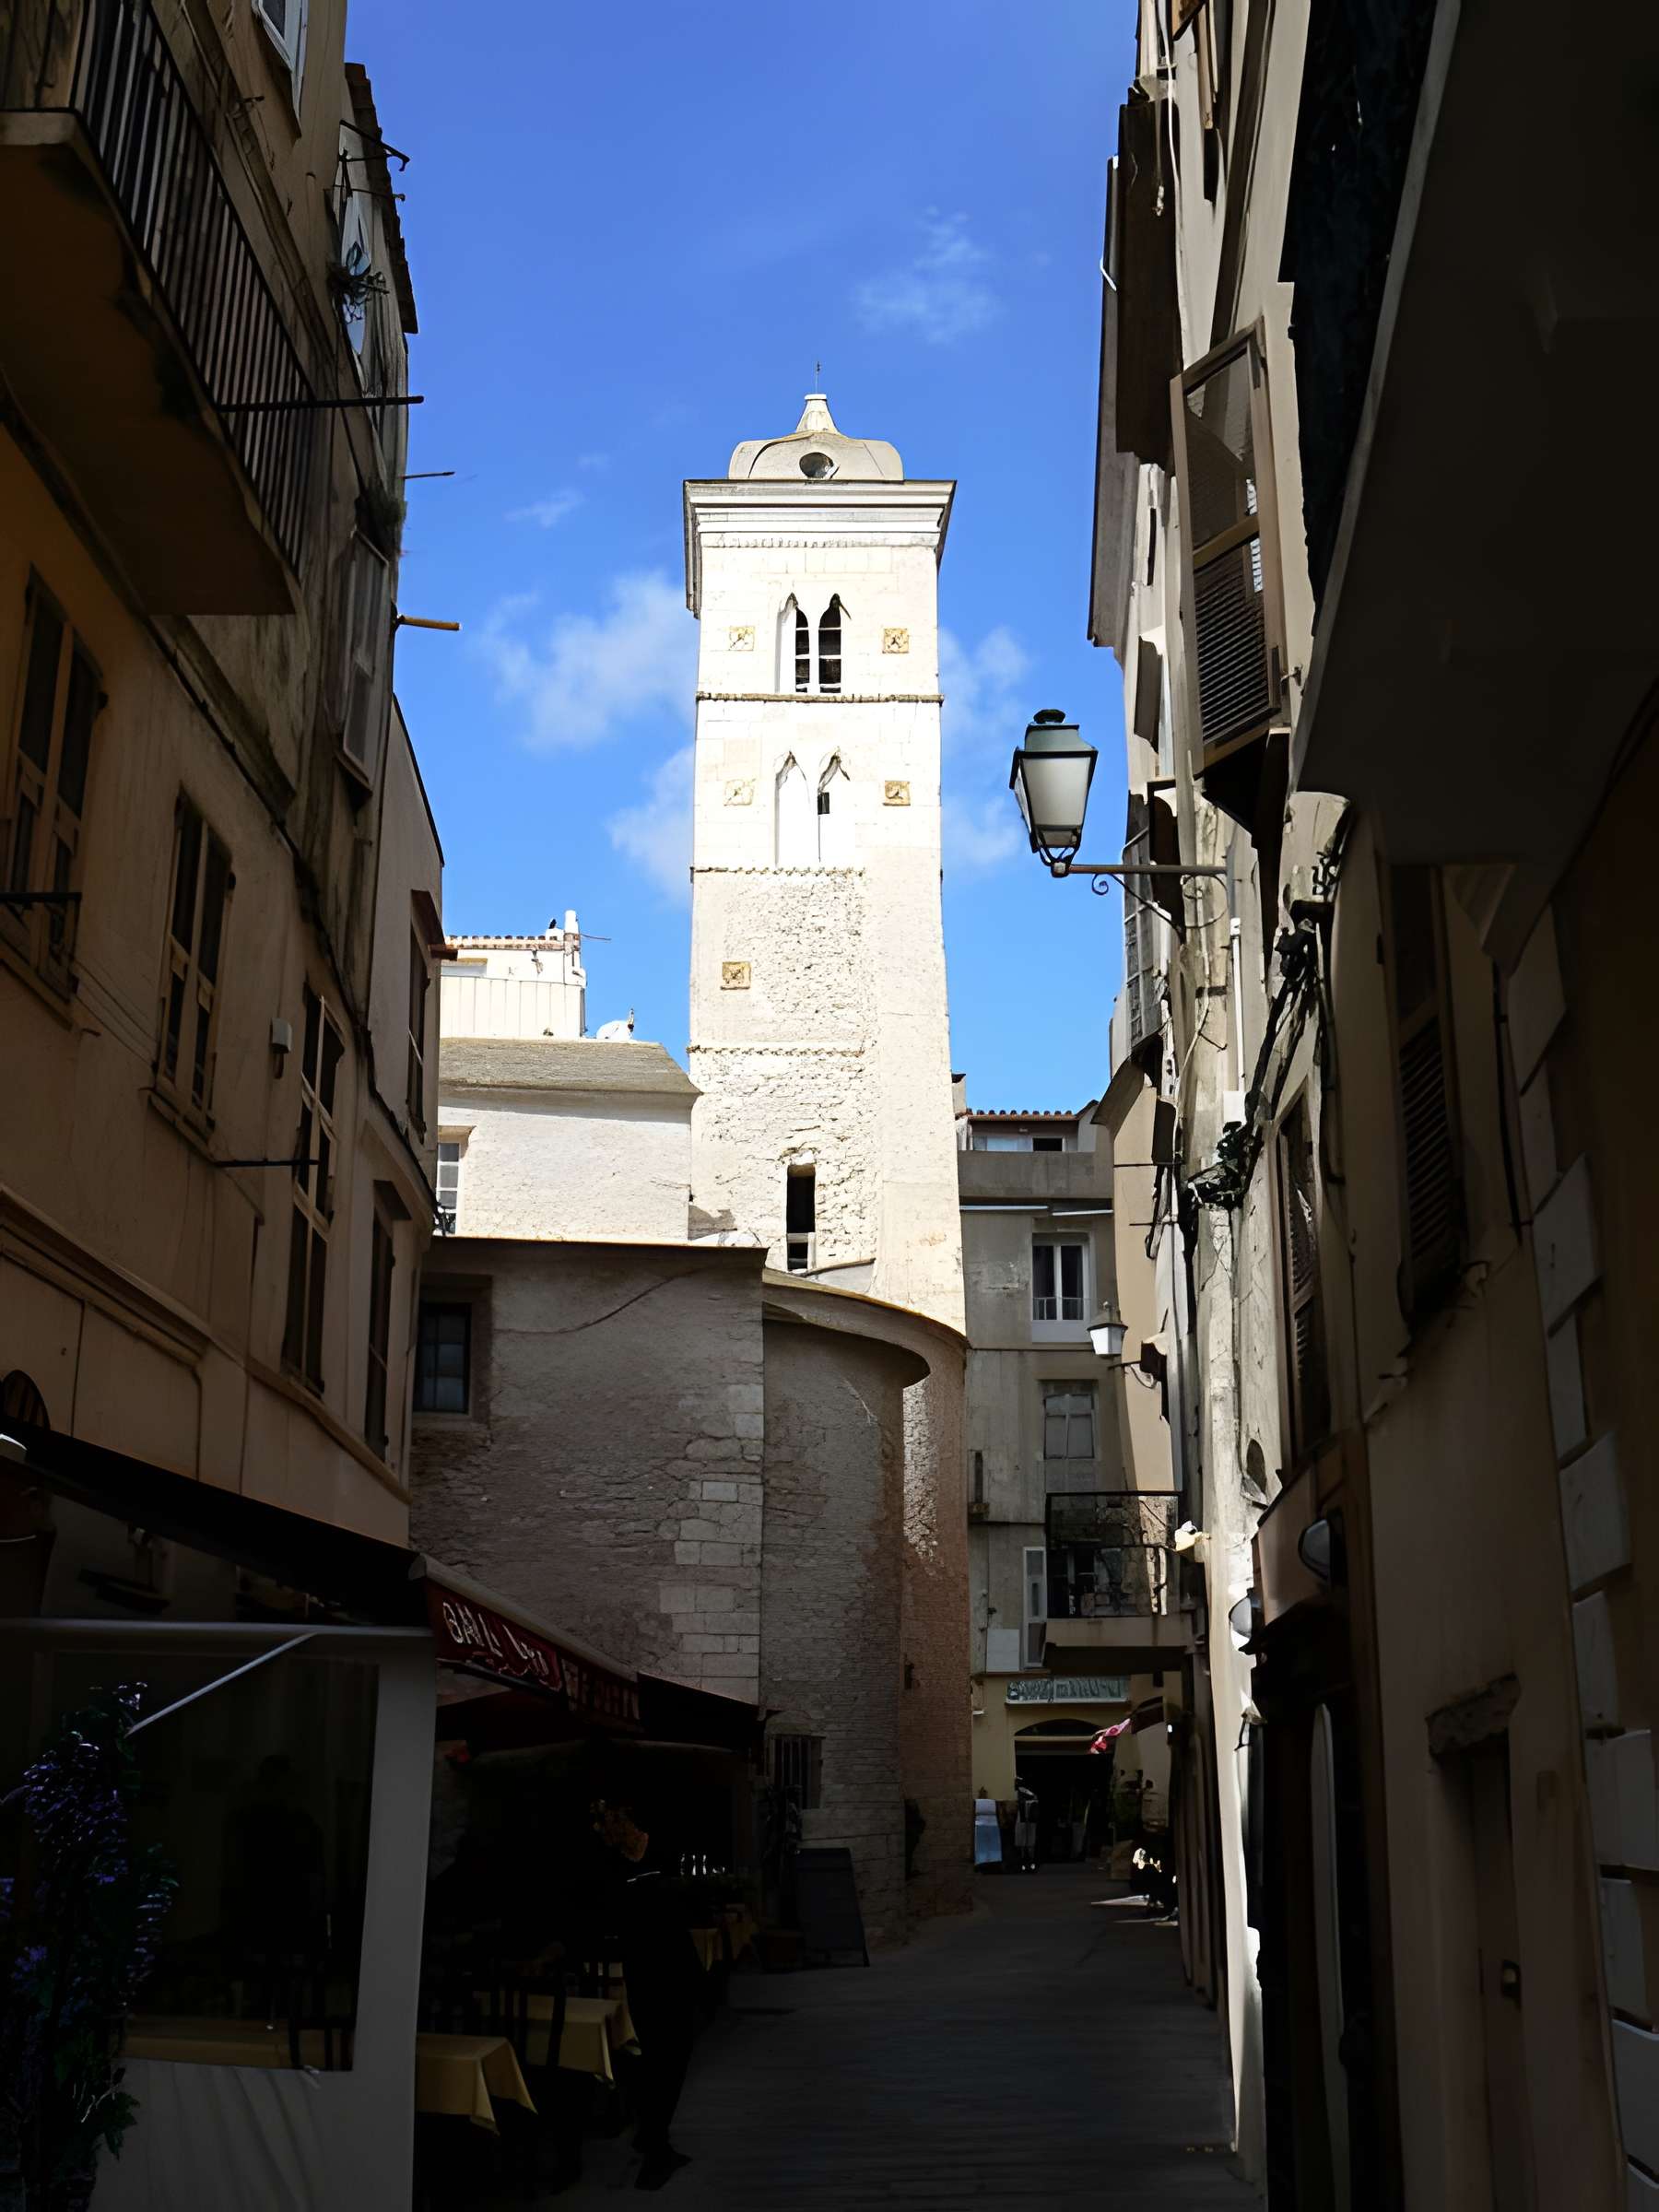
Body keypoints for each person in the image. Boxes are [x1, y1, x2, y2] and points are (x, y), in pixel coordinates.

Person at [592, 1794, 701, 2191]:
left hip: (675, 1964)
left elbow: (684, 1897)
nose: (601, 1829)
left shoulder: (663, 1849)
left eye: (607, 1820)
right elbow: (606, 1914)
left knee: (676, 2053)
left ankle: (652, 2134)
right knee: (656, 2055)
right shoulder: (607, 1864)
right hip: (643, 1968)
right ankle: (656, 2149)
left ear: (628, 1819)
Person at [972, 1785, 1002, 1872]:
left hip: (988, 1825)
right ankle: (987, 1863)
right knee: (985, 1846)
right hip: (985, 1825)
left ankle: (990, 1863)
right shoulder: (987, 1804)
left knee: (988, 1846)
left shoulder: (985, 1804)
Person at [1014, 1781, 1040, 1873]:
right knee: (1026, 1843)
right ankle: (1026, 1862)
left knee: (1026, 1842)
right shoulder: (1028, 1794)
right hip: (1024, 1820)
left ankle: (1027, 1862)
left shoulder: (1021, 1793)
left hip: (1026, 1820)